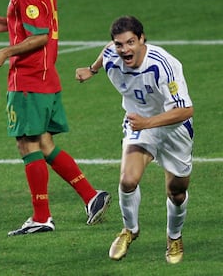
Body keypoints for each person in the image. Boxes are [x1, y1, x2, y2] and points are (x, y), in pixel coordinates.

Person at [0, 0, 111, 236]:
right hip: (45, 77)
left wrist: (6, 50)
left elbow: (41, 36)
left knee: (27, 144)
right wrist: (11, 23)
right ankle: (91, 196)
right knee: (44, 143)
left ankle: (41, 217)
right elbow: (42, 23)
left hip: (29, 80)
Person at [75, 16, 193, 264]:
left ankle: (174, 236)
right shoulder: (112, 55)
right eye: (119, 44)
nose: (124, 49)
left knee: (177, 192)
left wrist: (148, 123)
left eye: (130, 42)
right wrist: (92, 70)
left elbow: (185, 111)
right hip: (140, 125)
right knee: (128, 180)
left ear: (142, 39)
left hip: (173, 128)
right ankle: (130, 230)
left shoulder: (164, 65)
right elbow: (105, 52)